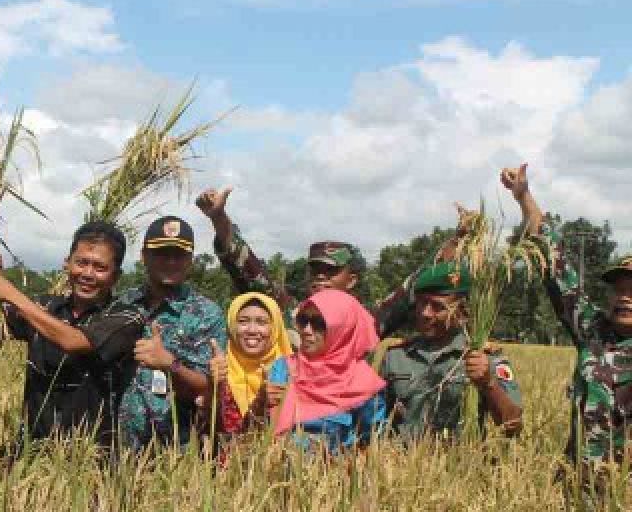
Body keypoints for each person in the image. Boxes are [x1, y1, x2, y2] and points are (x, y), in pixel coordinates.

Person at [502, 164, 631, 468]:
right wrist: (524, 197)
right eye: (618, 290)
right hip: (578, 488)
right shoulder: (593, 330)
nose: (624, 297)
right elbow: (556, 264)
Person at [0, 221, 145, 451]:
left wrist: (11, 293)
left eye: (99, 267)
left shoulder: (127, 318)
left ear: (116, 275)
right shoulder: (45, 307)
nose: (87, 274)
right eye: (81, 263)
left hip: (92, 462)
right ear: (67, 263)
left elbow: (73, 341)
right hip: (32, 453)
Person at [196, 187, 434, 340]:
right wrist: (219, 218)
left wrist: (462, 240)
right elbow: (247, 267)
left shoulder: (368, 321)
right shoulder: (291, 313)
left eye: (331, 271)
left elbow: (414, 285)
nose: (321, 276)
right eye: (316, 270)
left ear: (351, 280)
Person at [379, 262, 523, 441]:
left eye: (437, 306)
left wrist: (488, 383)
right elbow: (375, 421)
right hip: (400, 464)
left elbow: (513, 426)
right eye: (421, 303)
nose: (425, 313)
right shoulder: (396, 356)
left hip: (462, 464)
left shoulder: (485, 358)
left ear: (463, 312)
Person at [117, 216, 226, 450]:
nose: (171, 261)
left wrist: (169, 364)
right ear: (144, 257)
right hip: (121, 447)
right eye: (162, 254)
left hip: (179, 450)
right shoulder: (123, 304)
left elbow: (209, 387)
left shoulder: (207, 314)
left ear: (190, 260)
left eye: (179, 255)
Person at [266, 290, 390, 454]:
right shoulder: (284, 368)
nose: (306, 330)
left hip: (333, 474)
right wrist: (262, 403)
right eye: (303, 320)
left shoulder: (363, 383)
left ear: (343, 330)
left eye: (318, 323)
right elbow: (265, 427)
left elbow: (371, 441)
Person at [206, 292, 293, 441]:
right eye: (243, 321)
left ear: (276, 327)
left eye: (262, 322)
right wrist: (213, 386)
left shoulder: (293, 370)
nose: (252, 330)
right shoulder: (219, 366)